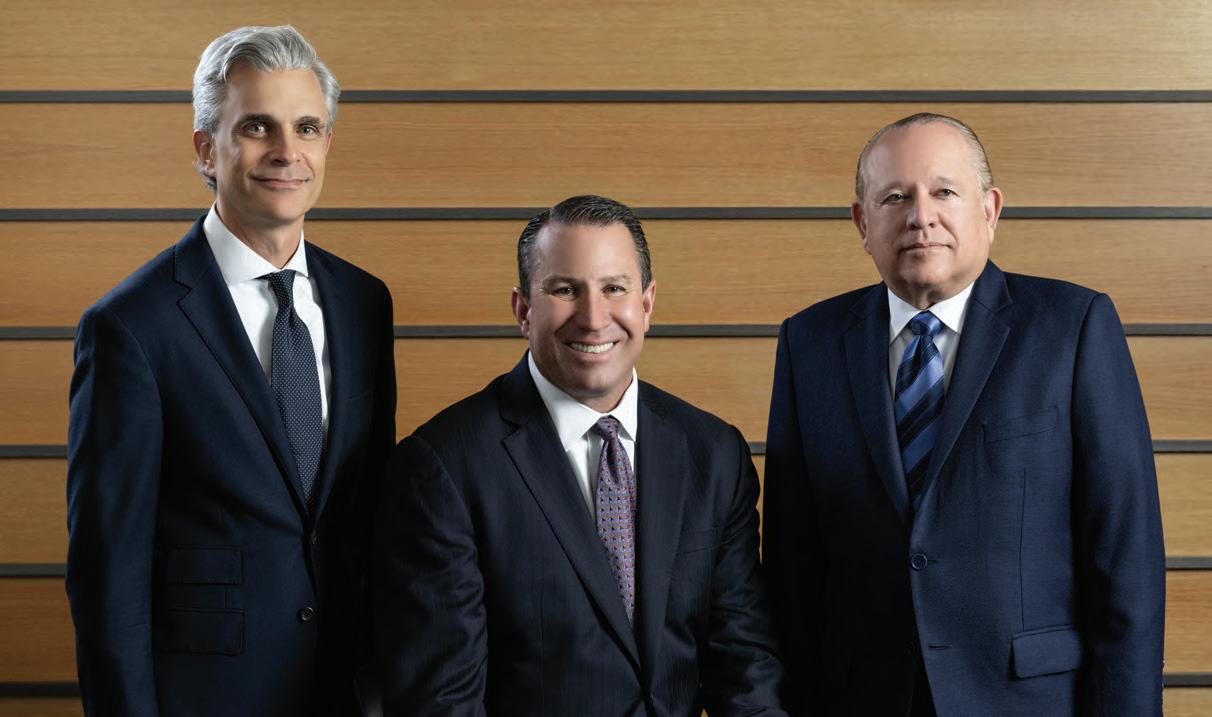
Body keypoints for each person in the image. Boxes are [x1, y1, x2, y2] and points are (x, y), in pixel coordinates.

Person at [763, 113, 1165, 716]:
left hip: (1029, 700)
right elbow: (791, 569)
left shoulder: (1072, 327)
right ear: (863, 223)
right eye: (894, 197)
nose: (920, 216)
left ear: (990, 210)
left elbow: (1125, 558)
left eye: (944, 191)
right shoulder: (809, 343)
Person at [66, 25, 395, 716]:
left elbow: (368, 517)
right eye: (256, 126)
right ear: (205, 149)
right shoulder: (131, 326)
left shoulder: (364, 303)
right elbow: (106, 576)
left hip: (346, 693)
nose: (286, 151)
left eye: (307, 127)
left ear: (327, 144)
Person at [372, 194, 786, 715]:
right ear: (524, 310)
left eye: (614, 288)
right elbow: (443, 702)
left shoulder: (713, 453)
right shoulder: (443, 467)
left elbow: (745, 666)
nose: (593, 318)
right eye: (565, 290)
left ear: (647, 304)